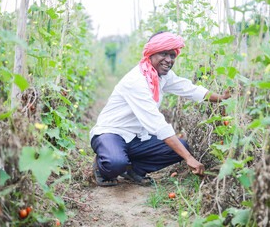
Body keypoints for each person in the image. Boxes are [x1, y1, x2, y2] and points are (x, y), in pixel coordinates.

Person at [89, 31, 230, 186]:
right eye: (163, 54)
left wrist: (221, 98)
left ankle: (133, 169)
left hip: (136, 137)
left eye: (172, 55)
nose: (168, 60)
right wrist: (189, 158)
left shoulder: (160, 76)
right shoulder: (136, 80)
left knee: (180, 147)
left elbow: (188, 89)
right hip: (111, 133)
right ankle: (102, 165)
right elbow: (157, 124)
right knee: (115, 163)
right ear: (151, 54)